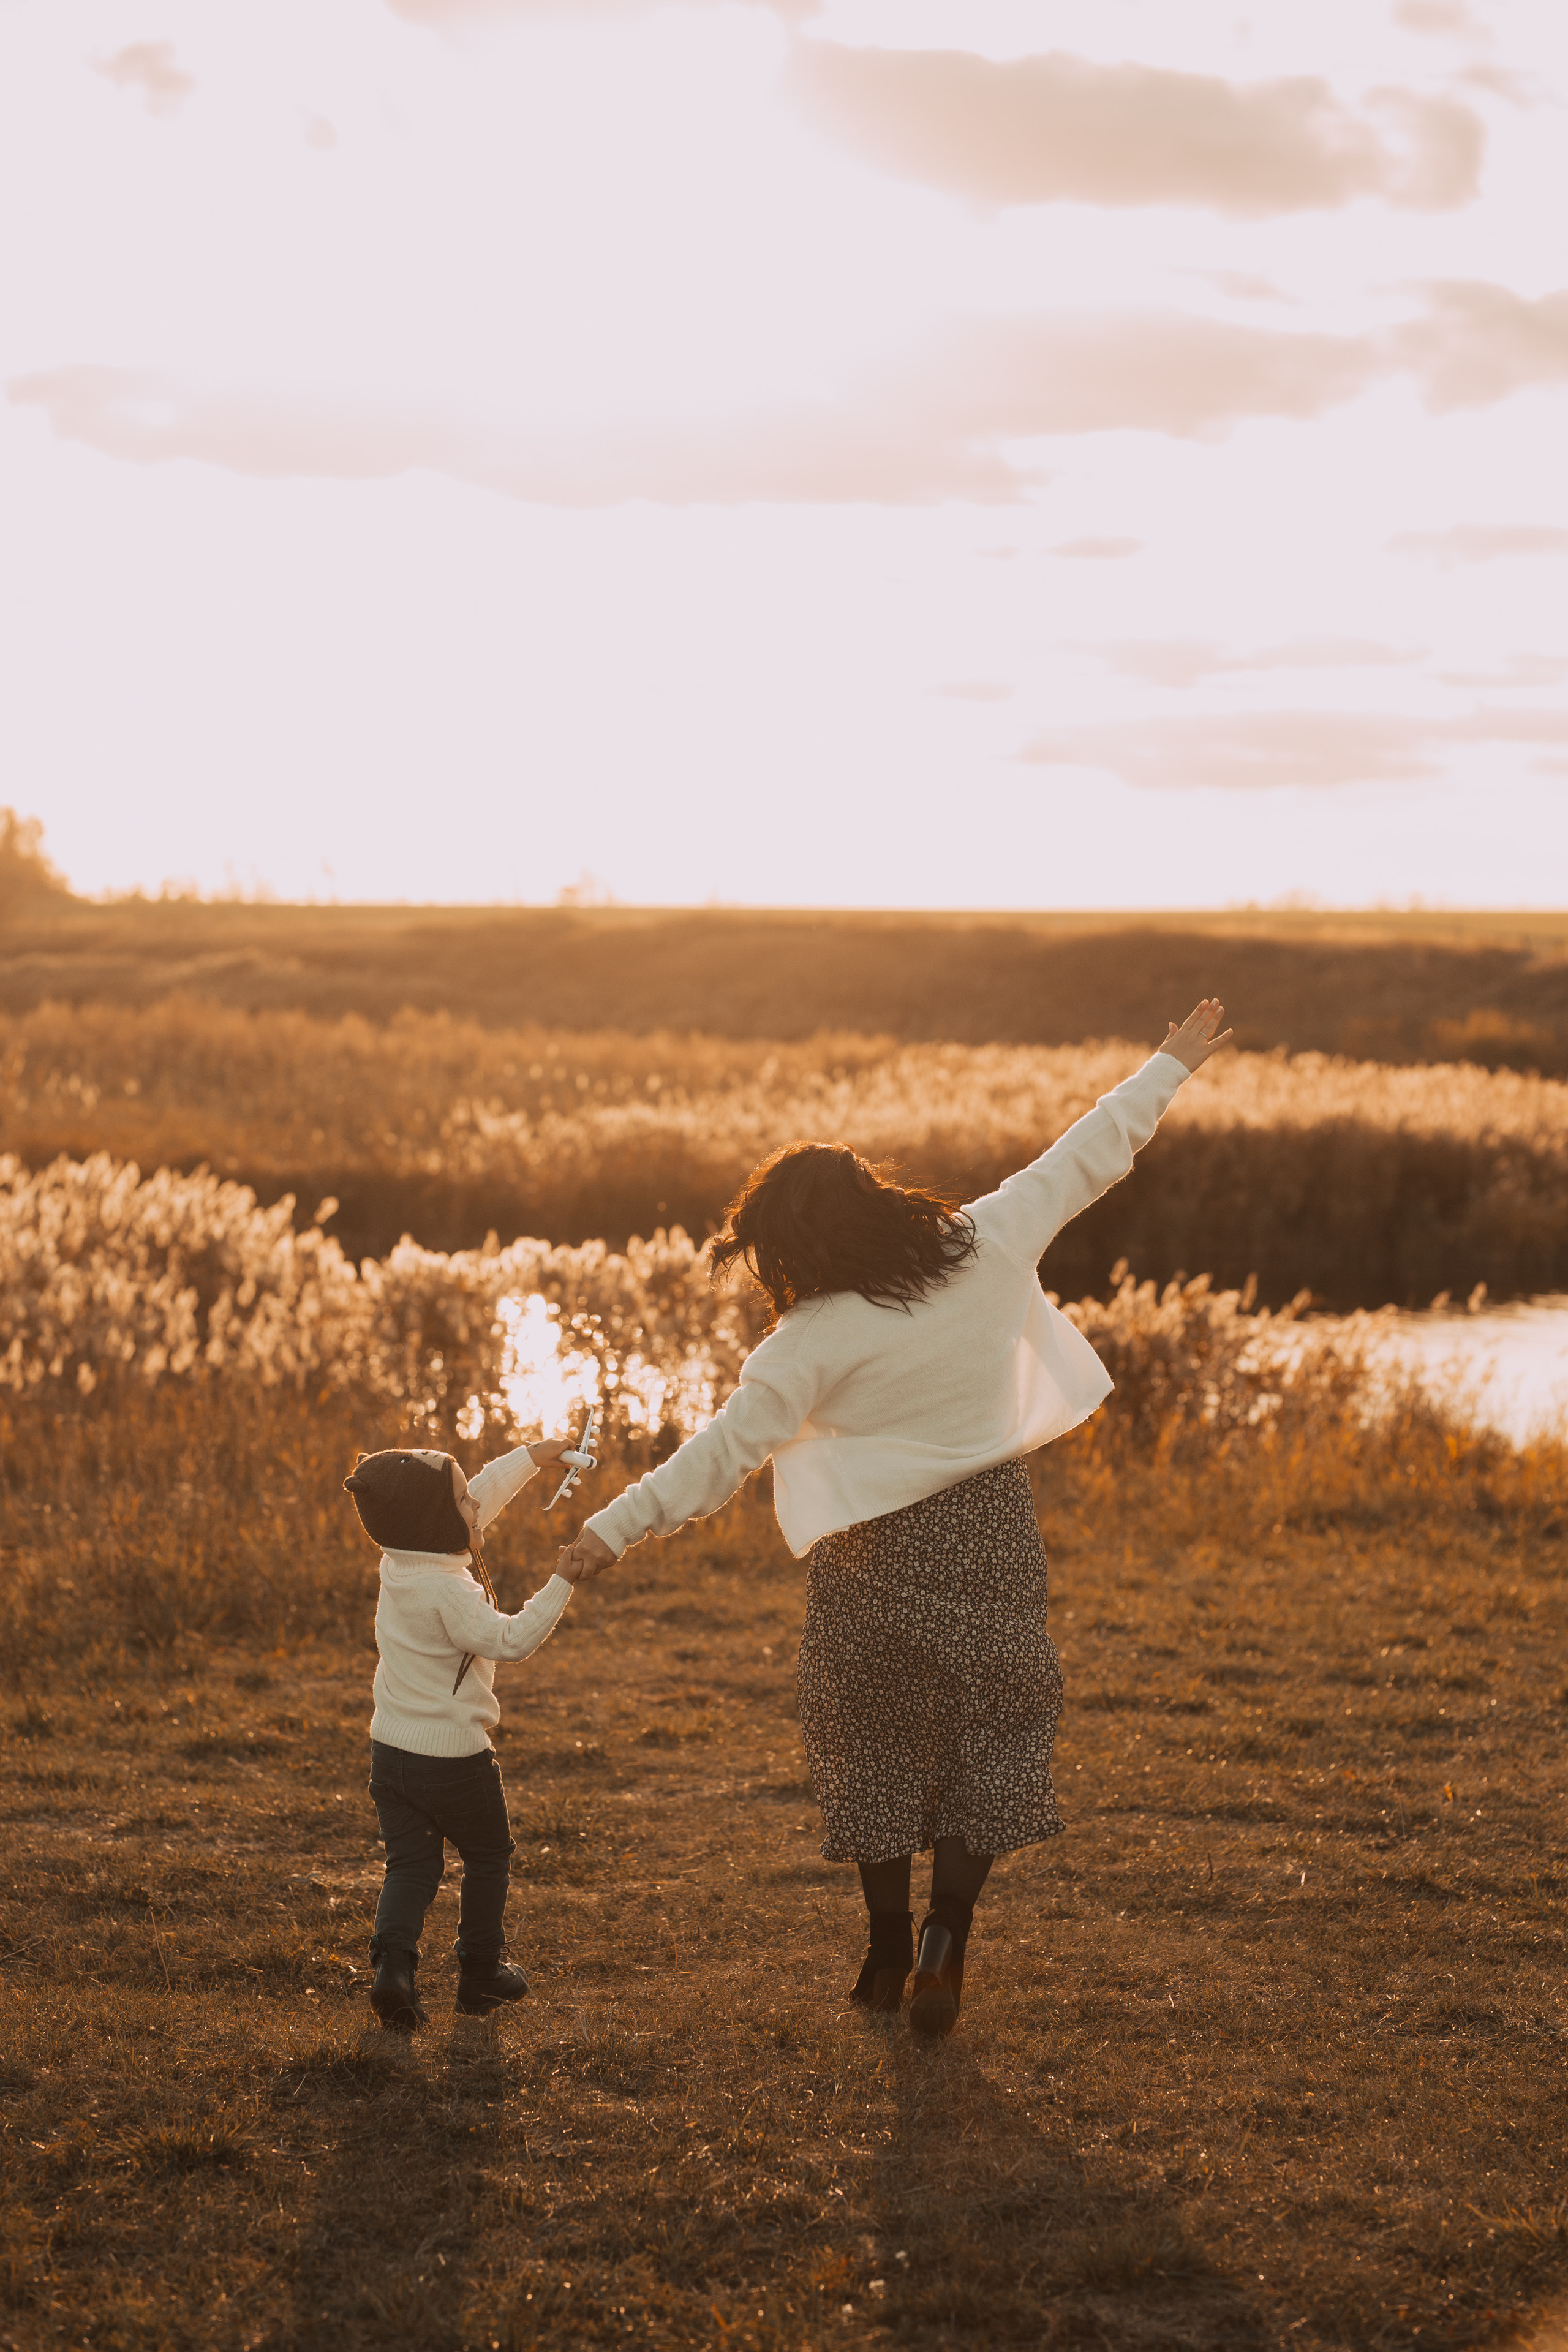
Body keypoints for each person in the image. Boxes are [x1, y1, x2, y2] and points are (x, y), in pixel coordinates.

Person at [556, 1001, 1234, 2038]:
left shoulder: (804, 1340)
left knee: (867, 1739)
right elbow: (1086, 1153)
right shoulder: (985, 1240)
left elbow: (723, 1455)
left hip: (870, 1553)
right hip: (989, 1531)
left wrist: (611, 1530)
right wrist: (1170, 1065)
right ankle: (945, 1940)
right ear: (875, 1201)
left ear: (785, 1246)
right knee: (993, 1732)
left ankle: (881, 1946)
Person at [344, 1436, 584, 2029]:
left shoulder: (402, 1559)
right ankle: (480, 1974)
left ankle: (393, 1968)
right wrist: (562, 1580)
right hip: (453, 1759)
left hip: (391, 1752)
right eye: (462, 1502)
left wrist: (530, 1458)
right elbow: (510, 1640)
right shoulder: (450, 1590)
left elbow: (475, 1498)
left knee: (410, 1866)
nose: (476, 1505)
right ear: (438, 1520)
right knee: (487, 1854)